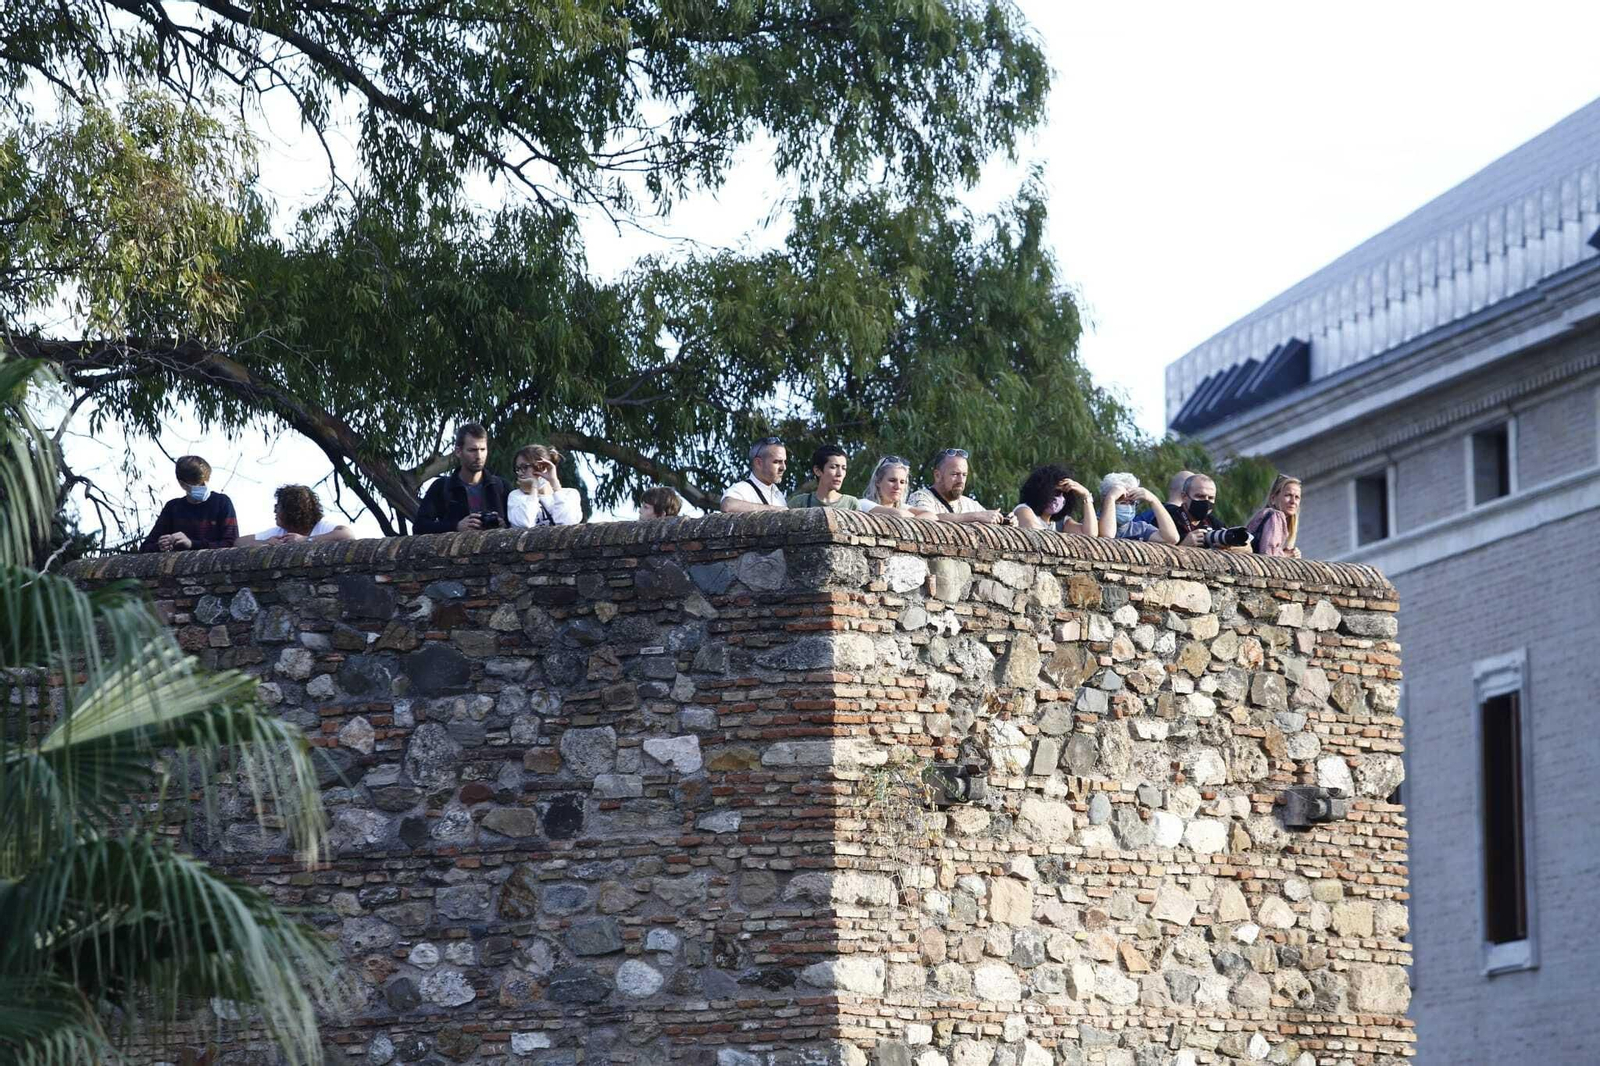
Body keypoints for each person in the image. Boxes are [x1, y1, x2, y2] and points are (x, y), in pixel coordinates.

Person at [415, 423, 513, 533]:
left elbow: (520, 526)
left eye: (483, 449)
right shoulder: (442, 487)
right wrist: (456, 526)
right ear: (458, 451)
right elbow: (419, 526)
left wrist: (503, 526)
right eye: (472, 450)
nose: (479, 456)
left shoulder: (502, 486)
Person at [140, 455, 239, 552]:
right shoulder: (173, 508)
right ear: (183, 484)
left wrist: (192, 544)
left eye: (206, 481)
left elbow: (232, 544)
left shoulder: (222, 503)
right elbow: (145, 547)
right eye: (198, 483)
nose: (204, 486)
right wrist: (160, 546)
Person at [905, 449, 1010, 525]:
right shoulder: (920, 497)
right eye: (955, 474)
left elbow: (988, 518)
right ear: (937, 475)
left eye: (964, 475)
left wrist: (1005, 520)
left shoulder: (971, 505)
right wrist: (975, 517)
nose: (961, 480)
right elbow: (928, 520)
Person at [1165, 473, 1251, 550]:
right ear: (1184, 497)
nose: (1206, 502)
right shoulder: (1168, 518)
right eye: (1200, 496)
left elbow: (1248, 548)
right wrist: (1182, 546)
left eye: (1210, 498)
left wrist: (1229, 547)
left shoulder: (1213, 522)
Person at [248, 485, 355, 544]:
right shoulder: (279, 533)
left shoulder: (321, 527)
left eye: (278, 507)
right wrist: (266, 542)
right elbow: (239, 542)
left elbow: (347, 535)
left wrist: (304, 540)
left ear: (291, 511)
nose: (274, 511)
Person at [508, 444, 581, 527]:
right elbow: (524, 523)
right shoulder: (516, 496)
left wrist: (555, 484)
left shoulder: (570, 494)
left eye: (524, 467)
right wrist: (533, 488)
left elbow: (567, 523)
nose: (520, 473)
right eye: (517, 469)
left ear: (542, 467)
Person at [1012, 464, 1098, 535]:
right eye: (1056, 492)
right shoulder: (1023, 509)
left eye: (1064, 494)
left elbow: (1090, 535)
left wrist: (1086, 496)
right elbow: (1033, 529)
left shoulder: (1061, 522)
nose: (1059, 498)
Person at [1096, 472, 1180, 544]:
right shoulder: (1092, 523)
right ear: (1104, 501)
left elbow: (1172, 538)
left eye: (1132, 502)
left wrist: (1154, 501)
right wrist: (1111, 497)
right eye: (1122, 502)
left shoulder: (1140, 529)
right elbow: (1107, 536)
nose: (1128, 507)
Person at [720, 437, 789, 513]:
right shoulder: (743, 489)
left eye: (784, 462)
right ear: (758, 463)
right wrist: (774, 510)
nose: (783, 467)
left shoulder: (778, 495)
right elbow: (728, 505)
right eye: (777, 462)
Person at [788, 445, 861, 510]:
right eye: (833, 467)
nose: (840, 474)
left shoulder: (851, 504)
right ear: (817, 470)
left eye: (844, 468)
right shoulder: (799, 503)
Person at [1246, 474, 1303, 557]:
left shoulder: (1267, 516)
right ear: (1273, 499)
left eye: (1297, 497)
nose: (1293, 501)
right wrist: (1287, 555)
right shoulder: (1275, 516)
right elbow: (1268, 554)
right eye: (1288, 495)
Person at [861, 456, 934, 518]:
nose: (898, 487)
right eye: (892, 480)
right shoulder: (863, 504)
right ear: (878, 481)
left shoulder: (902, 507)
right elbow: (899, 514)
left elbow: (931, 515)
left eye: (902, 482)